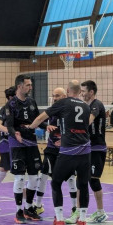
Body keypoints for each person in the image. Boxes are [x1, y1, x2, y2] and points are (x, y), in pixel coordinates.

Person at [29, 80, 91, 225]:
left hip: (69, 151)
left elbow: (40, 118)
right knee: (83, 185)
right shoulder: (85, 106)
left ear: (68, 91)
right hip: (85, 151)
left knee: (56, 182)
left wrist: (30, 127)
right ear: (79, 91)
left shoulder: (63, 103)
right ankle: (82, 221)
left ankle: (60, 221)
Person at [5, 74, 45, 223]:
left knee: (34, 177)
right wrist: (15, 133)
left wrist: (49, 127)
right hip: (17, 143)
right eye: (28, 85)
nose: (30, 87)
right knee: (20, 177)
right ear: (20, 86)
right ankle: (18, 211)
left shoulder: (32, 102)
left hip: (31, 142)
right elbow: (9, 125)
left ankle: (29, 208)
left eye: (30, 85)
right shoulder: (11, 104)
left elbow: (38, 120)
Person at [35, 88, 78, 217]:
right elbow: (39, 121)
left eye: (57, 96)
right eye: (53, 96)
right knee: (43, 175)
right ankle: (38, 206)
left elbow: (76, 129)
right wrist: (46, 126)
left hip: (66, 149)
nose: (55, 98)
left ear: (64, 96)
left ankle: (74, 208)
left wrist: (64, 140)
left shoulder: (70, 111)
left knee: (71, 178)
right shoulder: (52, 110)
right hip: (51, 149)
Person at [80, 80, 108, 223]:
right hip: (88, 148)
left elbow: (88, 121)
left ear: (91, 92)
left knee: (94, 180)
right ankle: (81, 211)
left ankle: (101, 212)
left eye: (83, 91)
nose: (81, 93)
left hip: (97, 148)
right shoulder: (87, 106)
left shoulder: (96, 105)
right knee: (84, 179)